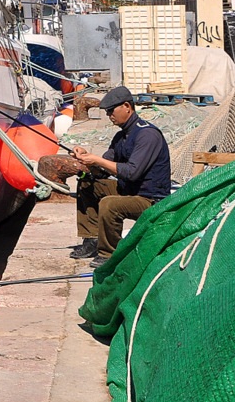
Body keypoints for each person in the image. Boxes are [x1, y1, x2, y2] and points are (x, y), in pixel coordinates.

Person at [68, 85, 172, 268]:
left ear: (127, 106)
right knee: (87, 182)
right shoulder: (121, 136)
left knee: (110, 204)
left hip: (150, 199)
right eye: (107, 112)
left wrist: (96, 160)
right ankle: (92, 240)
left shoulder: (147, 135)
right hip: (129, 191)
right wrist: (86, 159)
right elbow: (103, 168)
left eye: (111, 111)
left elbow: (131, 173)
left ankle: (109, 254)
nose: (109, 116)